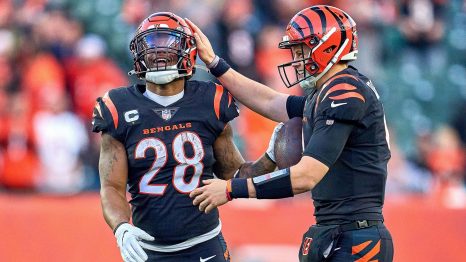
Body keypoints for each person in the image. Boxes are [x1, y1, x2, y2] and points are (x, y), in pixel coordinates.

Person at [187, 5, 394, 262]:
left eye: (302, 49)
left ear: (328, 46)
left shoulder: (344, 91)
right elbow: (270, 101)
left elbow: (305, 176)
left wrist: (231, 189)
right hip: (336, 230)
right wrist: (216, 65)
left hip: (356, 236)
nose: (296, 58)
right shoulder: (327, 91)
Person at [92, 12, 278, 262]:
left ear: (188, 51)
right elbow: (112, 187)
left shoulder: (210, 100)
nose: (158, 51)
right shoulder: (118, 107)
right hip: (150, 250)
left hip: (205, 245)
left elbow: (234, 175)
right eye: (151, 43)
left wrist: (272, 157)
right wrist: (121, 227)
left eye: (168, 43)